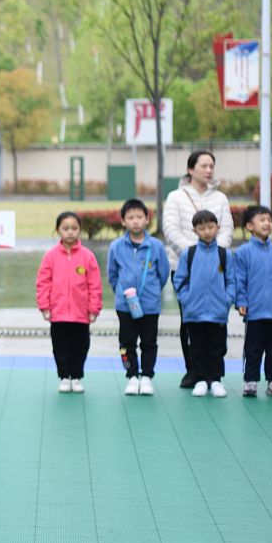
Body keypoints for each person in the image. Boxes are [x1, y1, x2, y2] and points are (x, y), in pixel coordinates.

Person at [162, 150, 234, 389]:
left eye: (212, 165)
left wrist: (212, 254)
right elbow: (171, 230)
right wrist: (193, 255)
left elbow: (227, 230)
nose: (209, 170)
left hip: (217, 270)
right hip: (184, 265)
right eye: (204, 165)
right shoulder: (176, 197)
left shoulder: (221, 199)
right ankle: (193, 370)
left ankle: (214, 375)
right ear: (191, 169)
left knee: (215, 325)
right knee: (189, 322)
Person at [107, 199, 170, 397]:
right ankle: (131, 375)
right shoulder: (116, 246)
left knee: (149, 342)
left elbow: (163, 273)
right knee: (126, 344)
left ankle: (147, 377)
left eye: (139, 217)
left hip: (150, 306)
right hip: (125, 306)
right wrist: (122, 292)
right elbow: (112, 274)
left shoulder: (156, 246)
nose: (135, 221)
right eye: (130, 217)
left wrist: (151, 292)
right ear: (123, 221)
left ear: (147, 219)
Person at [35, 212, 101, 394]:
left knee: (81, 346)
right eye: (65, 228)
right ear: (58, 231)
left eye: (74, 228)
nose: (70, 232)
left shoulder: (88, 256)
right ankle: (64, 376)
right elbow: (43, 282)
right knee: (60, 347)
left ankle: (77, 376)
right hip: (58, 314)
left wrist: (94, 307)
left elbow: (95, 284)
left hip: (81, 315)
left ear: (80, 230)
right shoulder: (51, 256)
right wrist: (45, 306)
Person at [232, 205, 272, 398]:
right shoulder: (243, 253)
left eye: (269, 219)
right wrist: (241, 301)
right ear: (250, 226)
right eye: (262, 220)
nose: (267, 223)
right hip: (255, 312)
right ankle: (250, 381)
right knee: (253, 349)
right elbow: (239, 280)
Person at [172, 211, 235, 398]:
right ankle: (200, 379)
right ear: (194, 230)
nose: (207, 231)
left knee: (217, 348)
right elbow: (179, 280)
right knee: (197, 348)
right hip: (194, 313)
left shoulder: (224, 254)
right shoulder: (188, 254)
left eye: (210, 227)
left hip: (218, 312)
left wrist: (227, 300)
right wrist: (186, 300)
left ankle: (215, 380)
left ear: (217, 227)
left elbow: (232, 281)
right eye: (201, 228)